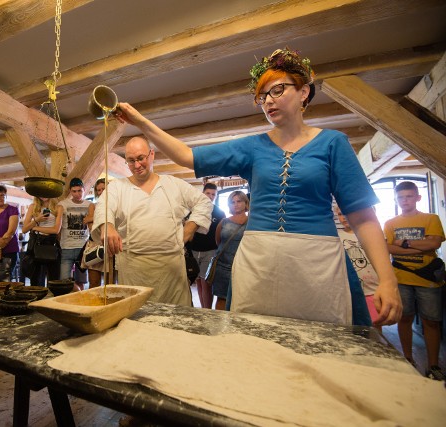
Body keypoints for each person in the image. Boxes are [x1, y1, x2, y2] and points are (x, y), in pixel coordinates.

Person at [116, 48, 401, 326]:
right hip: (259, 259)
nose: (268, 101)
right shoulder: (252, 146)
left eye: (277, 90)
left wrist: (387, 280)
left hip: (317, 261)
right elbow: (186, 156)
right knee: (256, 341)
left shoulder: (332, 143)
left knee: (318, 344)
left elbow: (362, 216)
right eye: (262, 96)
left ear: (304, 92)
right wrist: (139, 121)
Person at [91, 137, 212, 306]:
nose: (137, 165)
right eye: (131, 161)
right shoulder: (117, 188)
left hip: (171, 270)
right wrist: (107, 226)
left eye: (141, 158)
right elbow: (104, 207)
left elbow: (203, 202)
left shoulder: (173, 184)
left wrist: (190, 228)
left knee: (173, 320)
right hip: (133, 269)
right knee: (137, 319)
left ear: (152, 155)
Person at [384, 181, 445, 380]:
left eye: (409, 196)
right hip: (401, 277)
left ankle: (433, 365)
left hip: (427, 278)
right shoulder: (391, 223)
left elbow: (435, 242)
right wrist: (421, 245)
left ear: (418, 197)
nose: (405, 200)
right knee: (404, 318)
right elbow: (389, 248)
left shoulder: (431, 218)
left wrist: (406, 243)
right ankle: (408, 358)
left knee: (431, 321)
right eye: (401, 197)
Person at [335, 205, 380, 329]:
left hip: (372, 289)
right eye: (340, 214)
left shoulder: (370, 234)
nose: (344, 217)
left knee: (375, 328)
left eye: (347, 213)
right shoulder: (337, 236)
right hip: (350, 289)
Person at [186, 182, 226, 309]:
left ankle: (207, 311)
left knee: (206, 283)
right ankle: (202, 309)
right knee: (197, 281)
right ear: (202, 193)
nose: (210, 196)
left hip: (210, 251)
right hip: (193, 250)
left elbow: (222, 233)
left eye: (213, 194)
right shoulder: (193, 210)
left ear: (216, 196)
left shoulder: (219, 212)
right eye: (208, 193)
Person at [214, 191, 248, 310]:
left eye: (239, 201)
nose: (236, 204)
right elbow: (218, 242)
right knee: (222, 298)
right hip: (223, 266)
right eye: (232, 202)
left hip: (244, 266)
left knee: (242, 299)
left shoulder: (252, 222)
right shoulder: (224, 222)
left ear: (245, 203)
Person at [21, 196, 62, 286]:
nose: (43, 195)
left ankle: (52, 299)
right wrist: (37, 220)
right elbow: (24, 229)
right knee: (36, 278)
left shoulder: (58, 207)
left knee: (54, 278)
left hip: (52, 242)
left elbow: (56, 230)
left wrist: (35, 227)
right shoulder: (33, 206)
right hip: (36, 241)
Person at [58, 177, 91, 291]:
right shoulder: (63, 204)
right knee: (63, 280)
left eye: (80, 191)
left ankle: (79, 302)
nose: (77, 194)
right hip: (66, 247)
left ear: (84, 190)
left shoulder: (89, 205)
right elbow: (58, 225)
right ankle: (74, 296)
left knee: (81, 280)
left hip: (83, 248)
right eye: (74, 191)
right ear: (70, 191)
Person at [82, 178, 116, 287]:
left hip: (110, 246)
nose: (100, 192)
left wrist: (92, 218)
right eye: (98, 190)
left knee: (110, 284)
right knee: (94, 283)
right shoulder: (93, 205)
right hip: (95, 245)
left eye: (103, 189)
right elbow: (91, 227)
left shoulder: (116, 205)